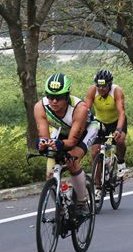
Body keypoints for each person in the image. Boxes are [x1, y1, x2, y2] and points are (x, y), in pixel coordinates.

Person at [34, 73, 99, 218]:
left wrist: (60, 144)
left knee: (71, 160)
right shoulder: (40, 106)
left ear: (67, 96)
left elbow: (71, 142)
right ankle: (60, 205)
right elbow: (43, 135)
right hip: (61, 131)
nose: (54, 101)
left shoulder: (79, 108)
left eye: (59, 97)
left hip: (85, 131)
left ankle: (82, 203)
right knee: (50, 172)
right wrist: (42, 143)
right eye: (50, 96)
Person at [85, 69, 128, 200]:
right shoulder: (92, 91)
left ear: (109, 84)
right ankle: (98, 187)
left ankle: (120, 162)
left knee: (119, 141)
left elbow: (121, 113)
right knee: (95, 153)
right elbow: (85, 110)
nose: (101, 88)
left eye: (104, 86)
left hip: (116, 122)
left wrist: (119, 129)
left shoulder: (116, 91)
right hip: (100, 122)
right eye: (98, 85)